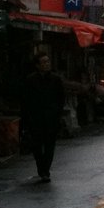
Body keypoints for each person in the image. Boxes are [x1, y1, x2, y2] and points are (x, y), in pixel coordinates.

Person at [19, 52, 66, 182]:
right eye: (43, 62)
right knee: (37, 146)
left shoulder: (56, 79)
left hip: (51, 118)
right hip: (36, 118)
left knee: (50, 145)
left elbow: (61, 98)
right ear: (37, 65)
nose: (47, 64)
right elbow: (25, 100)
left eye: (48, 61)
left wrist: (58, 113)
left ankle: (45, 170)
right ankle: (41, 168)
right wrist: (26, 118)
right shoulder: (30, 80)